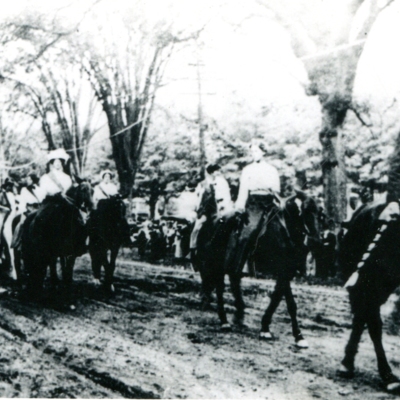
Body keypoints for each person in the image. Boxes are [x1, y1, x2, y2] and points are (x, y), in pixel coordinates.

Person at [229, 139, 282, 273]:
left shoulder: (271, 169)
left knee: (282, 229)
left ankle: (282, 268)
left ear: (263, 152)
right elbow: (243, 190)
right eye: (252, 151)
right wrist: (240, 205)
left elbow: (275, 190)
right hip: (254, 203)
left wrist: (279, 201)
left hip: (269, 201)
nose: (254, 154)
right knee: (249, 231)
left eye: (256, 151)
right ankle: (237, 267)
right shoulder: (247, 169)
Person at [189, 164, 233, 267]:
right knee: (197, 227)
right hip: (206, 210)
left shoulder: (222, 182)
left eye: (218, 171)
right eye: (216, 171)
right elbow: (198, 199)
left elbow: (227, 197)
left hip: (220, 209)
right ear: (211, 172)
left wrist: (224, 207)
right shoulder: (203, 184)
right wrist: (198, 210)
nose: (218, 173)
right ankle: (193, 251)